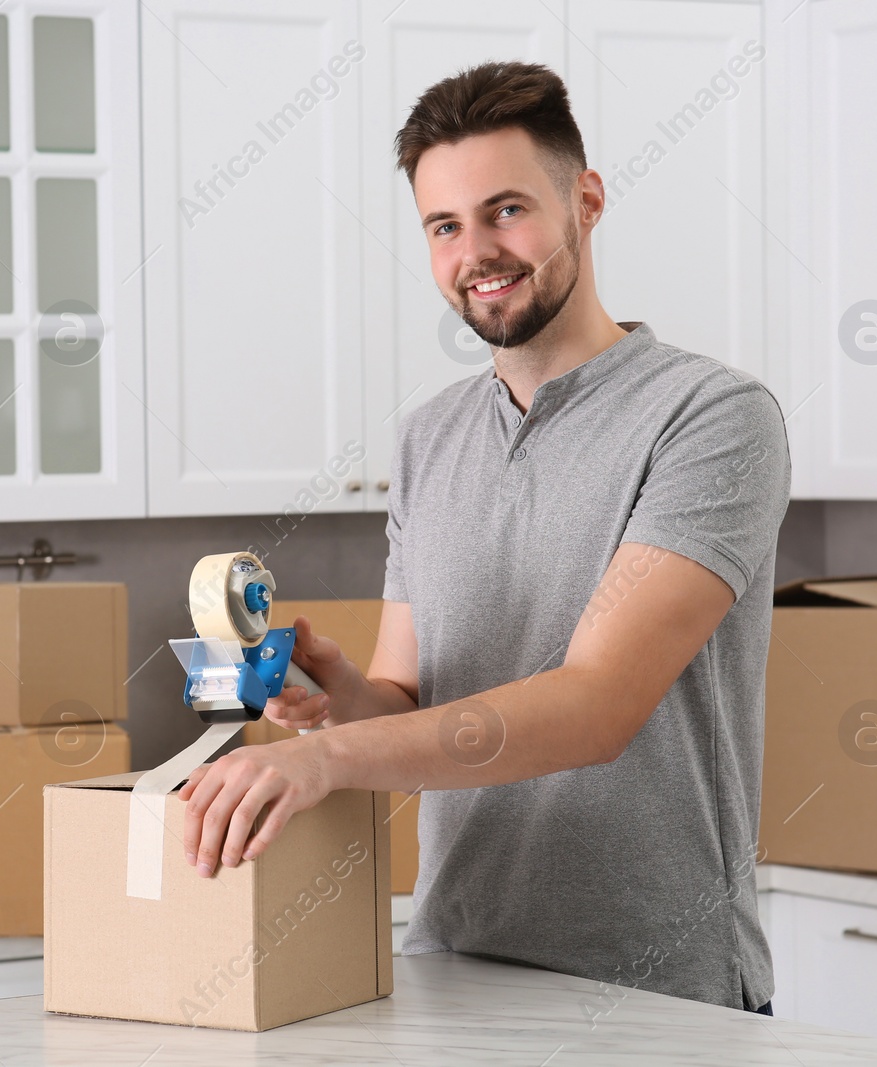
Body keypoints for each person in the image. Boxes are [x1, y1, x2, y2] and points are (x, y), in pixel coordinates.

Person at [178, 60, 789, 1015]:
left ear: (584, 200)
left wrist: (325, 760)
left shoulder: (710, 417)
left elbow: (597, 706)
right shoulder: (431, 437)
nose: (479, 252)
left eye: (508, 211)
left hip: (658, 986)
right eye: (445, 226)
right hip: (453, 966)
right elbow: (410, 705)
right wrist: (336, 697)